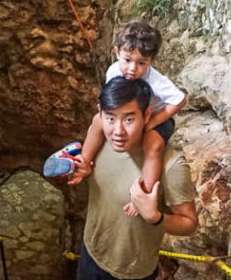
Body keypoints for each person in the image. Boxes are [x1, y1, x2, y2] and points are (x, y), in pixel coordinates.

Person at [71, 76, 199, 280]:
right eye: (110, 118)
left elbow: (189, 223)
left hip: (135, 268)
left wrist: (155, 217)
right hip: (95, 249)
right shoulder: (100, 142)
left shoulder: (170, 164)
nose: (117, 130)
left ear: (147, 116)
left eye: (129, 119)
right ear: (100, 114)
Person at [68, 20, 186, 217]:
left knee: (154, 144)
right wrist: (109, 118)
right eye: (127, 60)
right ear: (116, 52)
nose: (133, 68)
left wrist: (153, 122)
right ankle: (84, 161)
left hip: (155, 117)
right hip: (129, 112)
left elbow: (179, 100)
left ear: (151, 60)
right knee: (98, 120)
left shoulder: (155, 80)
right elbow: (111, 99)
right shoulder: (114, 71)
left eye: (142, 63)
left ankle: (143, 195)